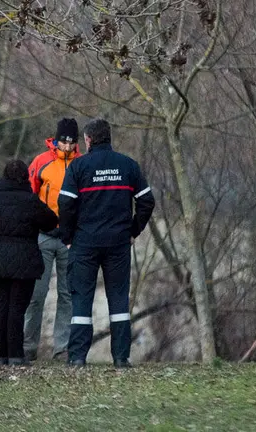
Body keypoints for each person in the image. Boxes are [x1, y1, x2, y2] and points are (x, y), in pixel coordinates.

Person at [58, 118, 155, 368]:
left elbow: (66, 204)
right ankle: (121, 357)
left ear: (88, 140)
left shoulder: (79, 167)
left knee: (81, 298)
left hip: (85, 242)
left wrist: (67, 237)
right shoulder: (128, 165)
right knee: (119, 299)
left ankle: (78, 357)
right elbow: (147, 202)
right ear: (109, 138)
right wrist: (133, 231)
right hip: (118, 243)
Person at [0, 160, 58, 366]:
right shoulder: (30, 200)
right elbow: (50, 220)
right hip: (23, 257)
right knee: (17, 306)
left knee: (2, 305)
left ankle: (2, 355)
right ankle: (16, 354)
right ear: (26, 177)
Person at [23, 118, 81, 361]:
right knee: (36, 293)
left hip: (71, 238)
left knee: (67, 295)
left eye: (71, 143)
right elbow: (29, 194)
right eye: (63, 142)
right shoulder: (41, 161)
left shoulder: (82, 163)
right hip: (44, 236)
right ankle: (27, 347)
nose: (67, 147)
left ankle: (62, 348)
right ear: (56, 140)